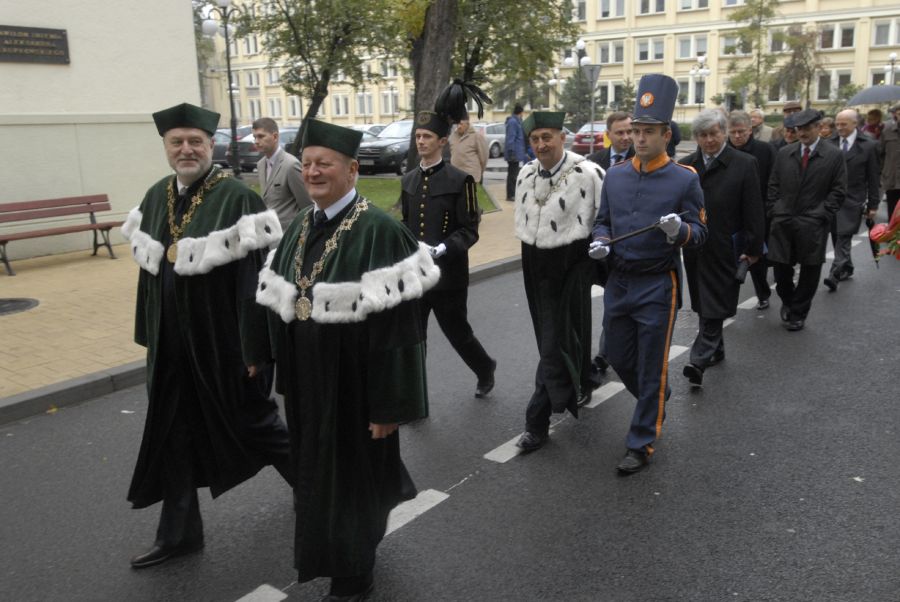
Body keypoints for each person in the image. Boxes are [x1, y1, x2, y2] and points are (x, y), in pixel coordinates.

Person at [256, 119, 437, 601]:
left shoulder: (380, 231)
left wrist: (390, 407)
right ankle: (333, 555)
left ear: (352, 169)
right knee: (317, 476)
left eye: (325, 164)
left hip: (358, 386)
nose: (314, 173)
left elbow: (401, 329)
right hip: (310, 384)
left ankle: (355, 573)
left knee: (356, 480)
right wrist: (269, 362)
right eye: (309, 164)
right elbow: (277, 303)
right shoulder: (298, 226)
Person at [120, 103, 292, 569]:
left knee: (259, 425)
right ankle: (179, 534)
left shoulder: (235, 198)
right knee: (173, 435)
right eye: (177, 142)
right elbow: (149, 277)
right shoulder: (156, 196)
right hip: (172, 349)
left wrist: (256, 347)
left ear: (210, 145)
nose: (186, 149)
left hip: (223, 346)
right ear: (166, 147)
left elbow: (254, 280)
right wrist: (150, 338)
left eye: (195, 141)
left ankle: (327, 493)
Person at [590, 74, 707, 473]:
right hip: (618, 280)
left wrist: (681, 231)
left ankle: (640, 443)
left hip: (658, 283)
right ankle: (654, 394)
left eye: (648, 132)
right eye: (635, 131)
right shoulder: (616, 175)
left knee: (652, 361)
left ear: (666, 134)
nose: (638, 139)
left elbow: (700, 233)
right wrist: (601, 240)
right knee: (619, 355)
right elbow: (602, 220)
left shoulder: (684, 178)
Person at [513, 111, 603, 453]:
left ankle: (536, 423)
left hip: (571, 269)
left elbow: (604, 221)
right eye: (535, 139)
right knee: (552, 340)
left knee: (554, 344)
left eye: (547, 137)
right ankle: (583, 376)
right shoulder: (524, 174)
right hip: (535, 269)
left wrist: (592, 268)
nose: (540, 145)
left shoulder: (588, 173)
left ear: (562, 137)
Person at [401, 110, 496, 398]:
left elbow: (469, 230)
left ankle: (484, 367)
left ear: (442, 141)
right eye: (418, 136)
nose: (421, 141)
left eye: (427, 137)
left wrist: (441, 248)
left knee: (457, 333)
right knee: (414, 338)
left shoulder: (461, 181)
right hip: (416, 274)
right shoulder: (408, 180)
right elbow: (407, 223)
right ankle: (415, 396)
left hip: (448, 276)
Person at [679, 110, 765, 387]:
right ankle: (716, 349)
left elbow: (753, 208)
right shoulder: (686, 165)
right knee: (704, 301)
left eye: (714, 133)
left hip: (727, 245)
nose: (709, 140)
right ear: (696, 139)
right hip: (695, 245)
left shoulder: (744, 163)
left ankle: (698, 360)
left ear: (724, 132)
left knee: (715, 301)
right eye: (703, 135)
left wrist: (753, 247)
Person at [767, 109, 847, 331]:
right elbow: (773, 184)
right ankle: (788, 300)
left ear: (818, 128)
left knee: (810, 270)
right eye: (797, 129)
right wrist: (775, 208)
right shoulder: (785, 153)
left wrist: (823, 213)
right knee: (781, 269)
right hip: (783, 221)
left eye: (806, 128)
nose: (801, 133)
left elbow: (839, 191)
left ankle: (798, 313)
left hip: (813, 222)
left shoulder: (833, 155)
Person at [585, 111, 634, 384]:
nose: (626, 137)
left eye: (630, 131)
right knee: (608, 302)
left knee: (616, 304)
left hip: (628, 246)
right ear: (609, 134)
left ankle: (605, 353)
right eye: (620, 132)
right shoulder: (594, 162)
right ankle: (605, 351)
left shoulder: (643, 161)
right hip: (599, 244)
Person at [823, 109, 881, 290]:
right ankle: (847, 266)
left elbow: (873, 177)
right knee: (836, 235)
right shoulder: (828, 143)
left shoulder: (869, 146)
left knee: (843, 235)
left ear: (855, 124)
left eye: (844, 124)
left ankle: (835, 272)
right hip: (831, 198)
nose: (839, 128)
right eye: (837, 124)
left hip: (853, 199)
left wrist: (873, 204)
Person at [727, 110, 776, 310]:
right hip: (731, 215)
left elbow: (774, 180)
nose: (737, 136)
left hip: (759, 212)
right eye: (733, 132)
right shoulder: (723, 152)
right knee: (729, 262)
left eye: (741, 132)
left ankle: (763, 293)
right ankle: (728, 301)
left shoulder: (765, 150)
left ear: (750, 130)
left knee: (757, 258)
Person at [253, 117, 312, 232]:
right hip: (269, 236)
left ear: (275, 137)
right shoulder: (260, 165)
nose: (256, 141)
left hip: (288, 236)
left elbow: (307, 205)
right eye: (254, 137)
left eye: (261, 136)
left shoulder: (290, 165)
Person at [448, 116, 488, 183]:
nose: (459, 126)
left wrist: (480, 172)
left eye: (461, 124)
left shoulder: (476, 137)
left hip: (472, 177)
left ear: (467, 123)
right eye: (457, 124)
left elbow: (484, 157)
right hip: (456, 177)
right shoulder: (452, 137)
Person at [879, 103, 900, 222]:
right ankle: (893, 238)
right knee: (892, 211)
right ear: (896, 115)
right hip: (891, 178)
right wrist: (883, 171)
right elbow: (880, 153)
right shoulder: (887, 130)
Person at [504, 103, 527, 202]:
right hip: (513, 153)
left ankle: (512, 194)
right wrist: (512, 152)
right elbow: (511, 138)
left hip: (515, 152)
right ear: (521, 112)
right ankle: (510, 195)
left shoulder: (516, 121)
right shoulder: (513, 122)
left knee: (514, 174)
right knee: (512, 175)